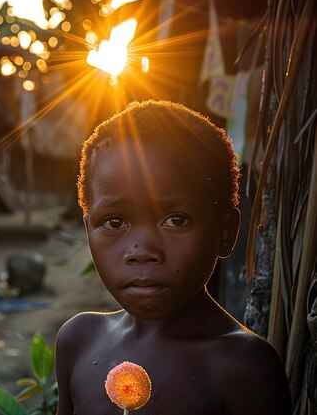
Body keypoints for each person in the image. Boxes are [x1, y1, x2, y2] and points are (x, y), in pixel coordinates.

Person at [55, 100, 291, 415]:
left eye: (176, 220)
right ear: (88, 230)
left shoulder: (242, 367)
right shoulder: (79, 341)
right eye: (114, 222)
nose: (141, 251)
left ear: (226, 231)